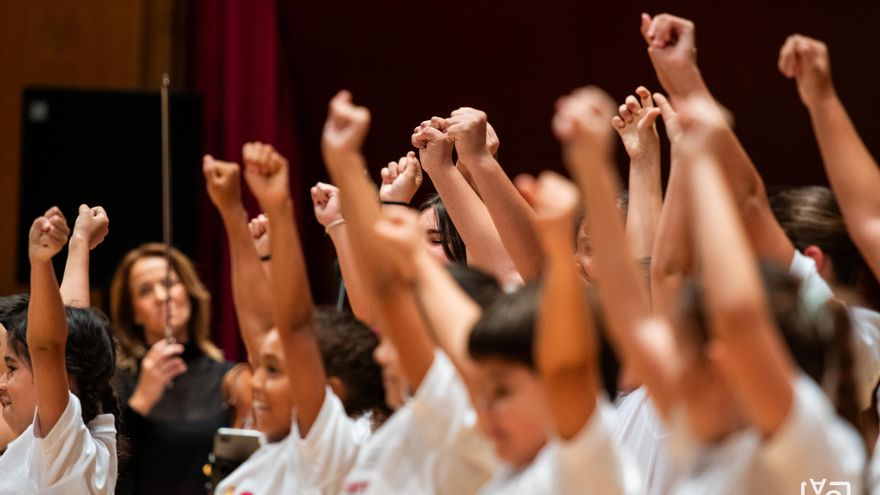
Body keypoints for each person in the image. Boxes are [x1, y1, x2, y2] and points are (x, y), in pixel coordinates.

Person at [0, 207, 120, 494]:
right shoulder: (79, 444)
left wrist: (40, 262)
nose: (2, 383)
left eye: (11, 368)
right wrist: (79, 244)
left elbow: (50, 345)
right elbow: (68, 331)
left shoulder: (66, 454)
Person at [109, 243, 232, 495]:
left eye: (169, 284)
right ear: (133, 313)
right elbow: (101, 469)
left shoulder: (226, 377)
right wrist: (142, 401)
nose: (161, 296)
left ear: (188, 291)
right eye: (145, 290)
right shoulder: (114, 382)